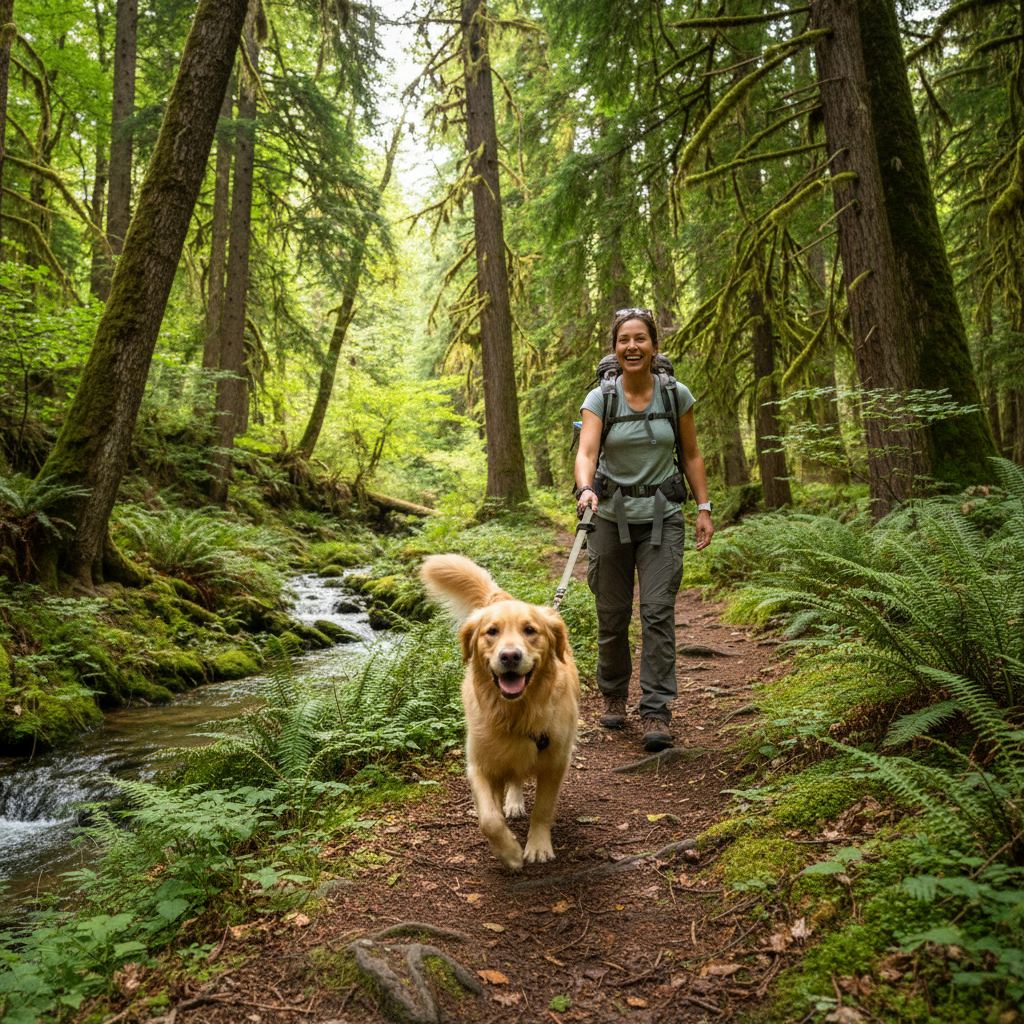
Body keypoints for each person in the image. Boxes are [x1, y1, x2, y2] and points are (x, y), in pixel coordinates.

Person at [573, 307, 714, 752]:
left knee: (656, 613)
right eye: (623, 340)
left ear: (653, 345)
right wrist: (584, 489)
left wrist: (704, 507)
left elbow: (691, 454)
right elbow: (587, 452)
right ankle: (613, 695)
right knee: (612, 616)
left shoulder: (675, 395)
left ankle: (656, 709)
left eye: (640, 339)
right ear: (615, 349)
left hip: (663, 519)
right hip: (608, 520)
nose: (632, 346)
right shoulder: (601, 397)